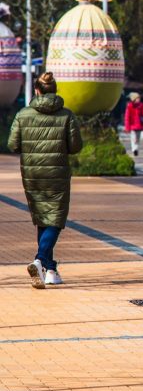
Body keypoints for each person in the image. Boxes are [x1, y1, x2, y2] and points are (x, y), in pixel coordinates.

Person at [7, 72, 83, 288]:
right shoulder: (67, 115)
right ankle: (40, 259)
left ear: (37, 91)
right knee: (55, 219)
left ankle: (50, 269)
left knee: (43, 217)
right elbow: (76, 146)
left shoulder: (23, 114)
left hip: (32, 174)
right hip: (57, 173)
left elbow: (13, 144)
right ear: (54, 90)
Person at [124, 92, 143, 157]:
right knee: (133, 137)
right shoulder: (129, 106)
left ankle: (136, 148)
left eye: (139, 98)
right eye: (137, 98)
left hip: (139, 125)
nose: (139, 99)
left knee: (137, 138)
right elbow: (127, 117)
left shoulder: (141, 105)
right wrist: (127, 127)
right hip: (132, 125)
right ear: (134, 99)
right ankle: (134, 149)